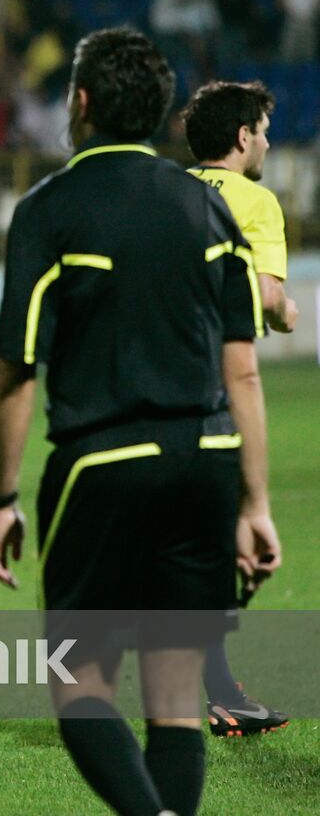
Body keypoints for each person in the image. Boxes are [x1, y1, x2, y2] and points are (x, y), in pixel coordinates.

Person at [0, 28, 281, 816]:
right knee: (177, 694)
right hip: (208, 458)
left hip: (101, 464)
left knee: (78, 682)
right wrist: (255, 504)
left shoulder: (49, 210)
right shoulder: (208, 206)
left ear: (80, 103)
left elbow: (16, 371)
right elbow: (241, 367)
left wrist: (1, 497)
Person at [181, 80, 293, 737]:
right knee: (234, 544)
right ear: (243, 136)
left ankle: (219, 686)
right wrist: (283, 309)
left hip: (141, 386)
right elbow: (265, 292)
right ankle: (215, 687)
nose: (269, 141)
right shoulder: (254, 200)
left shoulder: (166, 190)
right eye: (263, 129)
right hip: (213, 388)